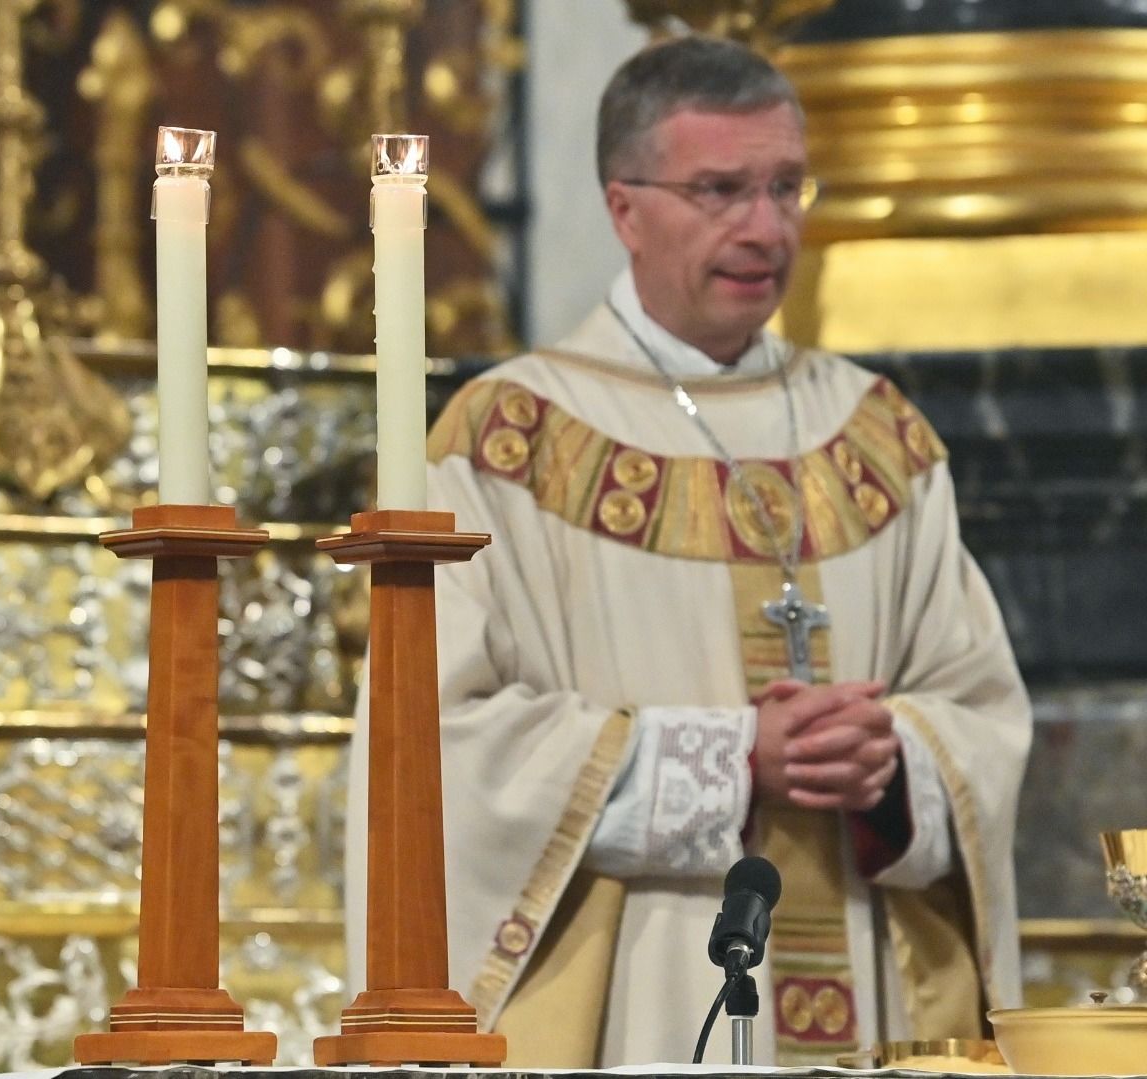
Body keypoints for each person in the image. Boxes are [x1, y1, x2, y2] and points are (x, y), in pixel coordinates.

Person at [347, 36, 1030, 1066]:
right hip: (643, 1009)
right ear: (624, 207)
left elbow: (982, 712)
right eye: (720, 190)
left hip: (873, 988)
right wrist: (727, 758)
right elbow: (438, 752)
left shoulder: (879, 436)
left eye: (786, 186)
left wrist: (893, 760)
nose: (765, 228)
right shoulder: (508, 441)